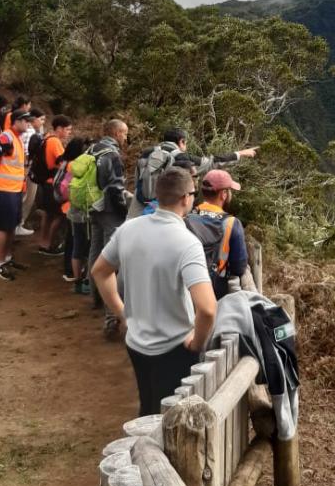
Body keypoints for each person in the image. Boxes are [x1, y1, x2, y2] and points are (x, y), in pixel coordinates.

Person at [91, 167, 217, 416]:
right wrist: (197, 342)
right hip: (174, 346)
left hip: (136, 341)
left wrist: (122, 313)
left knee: (147, 406)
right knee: (172, 419)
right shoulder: (187, 242)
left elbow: (100, 271)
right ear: (185, 198)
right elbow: (208, 308)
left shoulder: (129, 229)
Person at [127, 128, 258, 218]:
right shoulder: (181, 158)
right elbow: (212, 162)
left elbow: (138, 179)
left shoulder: (146, 153)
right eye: (185, 143)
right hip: (161, 210)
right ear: (181, 141)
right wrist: (240, 153)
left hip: (137, 207)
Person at [86, 119, 129, 314]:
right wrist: (124, 211)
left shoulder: (91, 149)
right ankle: (110, 305)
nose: (125, 137)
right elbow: (115, 187)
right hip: (109, 210)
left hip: (92, 206)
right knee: (110, 258)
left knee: (95, 253)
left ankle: (95, 297)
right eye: (124, 133)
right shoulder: (112, 154)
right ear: (116, 133)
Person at [187, 169, 248, 299]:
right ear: (224, 194)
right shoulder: (231, 223)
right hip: (215, 292)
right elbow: (239, 267)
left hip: (187, 288)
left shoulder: (187, 217)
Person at [0, 110, 32, 280]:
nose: (28, 124)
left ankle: (7, 258)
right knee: (5, 227)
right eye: (25, 121)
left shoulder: (16, 138)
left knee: (12, 225)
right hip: (4, 189)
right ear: (16, 121)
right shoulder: (6, 138)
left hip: (13, 189)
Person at [34, 114, 73, 253]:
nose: (69, 133)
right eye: (68, 130)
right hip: (52, 184)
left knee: (47, 213)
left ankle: (43, 243)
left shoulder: (46, 138)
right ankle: (49, 245)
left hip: (45, 182)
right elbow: (62, 163)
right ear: (60, 128)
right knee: (57, 215)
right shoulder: (55, 142)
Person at [57, 136, 90, 290]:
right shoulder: (75, 166)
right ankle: (70, 271)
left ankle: (69, 270)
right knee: (74, 241)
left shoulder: (66, 162)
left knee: (71, 240)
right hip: (72, 206)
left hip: (67, 205)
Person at [16, 108, 45, 237]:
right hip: (27, 169)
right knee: (28, 197)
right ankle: (18, 224)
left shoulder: (24, 131)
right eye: (42, 119)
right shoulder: (31, 133)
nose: (43, 123)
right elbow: (27, 154)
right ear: (33, 119)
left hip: (18, 169)